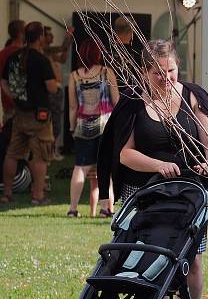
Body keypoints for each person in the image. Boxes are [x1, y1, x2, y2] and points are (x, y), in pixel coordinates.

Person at [97, 39, 208, 299]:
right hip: (145, 192)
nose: (166, 79)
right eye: (158, 73)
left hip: (189, 194)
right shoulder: (134, 103)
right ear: (144, 71)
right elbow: (124, 154)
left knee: (191, 260)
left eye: (171, 71)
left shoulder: (193, 96)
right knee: (148, 257)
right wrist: (159, 165)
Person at [0, 22, 58, 204]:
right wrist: (55, 85)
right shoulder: (41, 60)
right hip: (39, 117)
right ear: (40, 38)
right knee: (40, 156)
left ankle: (7, 193)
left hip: (19, 114)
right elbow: (51, 88)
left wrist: (15, 96)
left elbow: (3, 82)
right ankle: (38, 196)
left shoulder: (14, 56)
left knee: (12, 154)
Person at [67, 38, 119, 217]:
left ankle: (73, 209)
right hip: (106, 126)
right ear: (99, 54)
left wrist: (72, 127)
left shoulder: (74, 76)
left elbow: (73, 107)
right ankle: (106, 208)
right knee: (106, 169)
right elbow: (117, 102)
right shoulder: (107, 72)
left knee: (80, 167)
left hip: (83, 126)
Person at [43, 25, 74, 160]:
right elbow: (61, 48)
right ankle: (51, 151)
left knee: (56, 122)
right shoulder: (44, 50)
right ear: (42, 37)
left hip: (57, 89)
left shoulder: (49, 52)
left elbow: (62, 59)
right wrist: (68, 36)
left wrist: (67, 46)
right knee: (53, 122)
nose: (52, 37)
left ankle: (53, 150)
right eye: (49, 35)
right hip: (52, 91)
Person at [0, 20, 26, 125]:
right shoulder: (24, 54)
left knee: (8, 139)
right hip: (23, 107)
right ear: (21, 34)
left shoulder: (2, 53)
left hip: (7, 105)